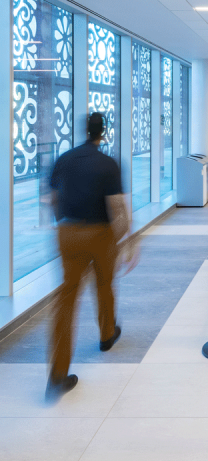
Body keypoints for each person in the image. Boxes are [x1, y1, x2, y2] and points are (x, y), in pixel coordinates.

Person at [46, 112, 129, 401]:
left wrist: (63, 224)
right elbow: (116, 206)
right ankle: (106, 335)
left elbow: (52, 198)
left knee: (66, 299)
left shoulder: (65, 159)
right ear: (102, 133)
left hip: (68, 233)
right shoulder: (108, 164)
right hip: (100, 233)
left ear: (84, 130)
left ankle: (57, 376)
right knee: (104, 285)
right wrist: (126, 238)